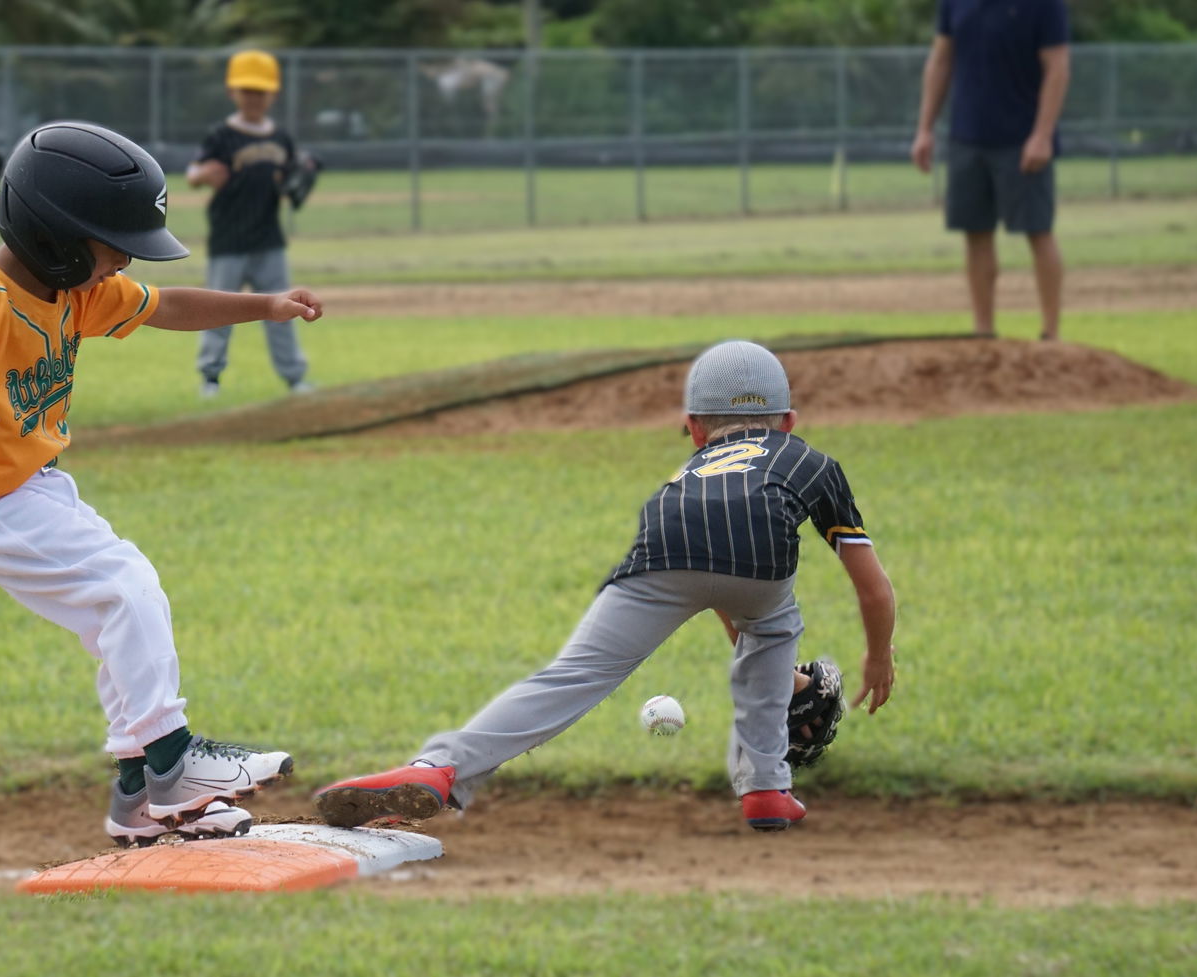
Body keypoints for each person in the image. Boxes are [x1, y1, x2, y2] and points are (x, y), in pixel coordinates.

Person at [0, 121, 323, 846]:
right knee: (128, 586)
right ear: (54, 236)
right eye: (112, 245)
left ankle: (138, 800)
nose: (121, 262)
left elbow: (167, 306)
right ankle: (174, 764)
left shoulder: (73, 290)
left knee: (112, 618)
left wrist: (266, 304)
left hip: (32, 487)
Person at [314, 341, 897, 833]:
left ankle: (438, 768)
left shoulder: (690, 471)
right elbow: (869, 588)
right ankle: (767, 788)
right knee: (772, 626)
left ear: (694, 431)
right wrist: (876, 654)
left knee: (573, 677)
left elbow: (710, 562)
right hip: (763, 559)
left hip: (663, 541)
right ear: (790, 422)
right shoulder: (810, 461)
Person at [910, 0, 1071, 342]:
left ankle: (1051, 335)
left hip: (1022, 139)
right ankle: (983, 333)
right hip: (968, 136)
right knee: (975, 232)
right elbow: (941, 59)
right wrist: (925, 128)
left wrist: (1042, 135)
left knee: (1038, 230)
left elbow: (1057, 66)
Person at [186, 48, 317, 398]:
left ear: (273, 94)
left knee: (284, 311)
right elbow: (193, 172)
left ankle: (295, 378)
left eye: (261, 91)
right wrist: (203, 176)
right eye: (247, 90)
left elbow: (292, 177)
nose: (254, 98)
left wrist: (298, 180)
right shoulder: (221, 135)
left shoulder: (281, 138)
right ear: (233, 92)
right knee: (218, 312)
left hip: (268, 240)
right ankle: (210, 378)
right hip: (228, 239)